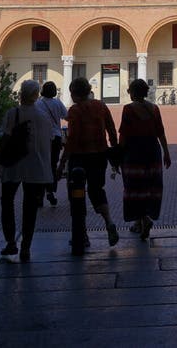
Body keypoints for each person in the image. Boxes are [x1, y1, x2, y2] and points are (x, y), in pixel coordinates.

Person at [56, 76, 120, 248]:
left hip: (79, 157)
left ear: (75, 94)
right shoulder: (101, 106)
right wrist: (114, 152)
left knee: (75, 194)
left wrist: (62, 164)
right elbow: (112, 129)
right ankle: (109, 222)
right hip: (100, 154)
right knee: (96, 190)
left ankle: (81, 233)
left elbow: (72, 140)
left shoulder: (75, 111)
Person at [0, 79, 52, 262]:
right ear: (37, 95)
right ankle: (26, 247)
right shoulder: (43, 116)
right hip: (35, 167)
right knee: (30, 208)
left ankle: (11, 242)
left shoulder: (13, 113)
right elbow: (47, 143)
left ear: (21, 93)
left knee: (7, 202)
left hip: (13, 163)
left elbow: (5, 138)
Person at [118, 78, 172, 240]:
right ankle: (143, 220)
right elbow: (160, 132)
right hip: (152, 150)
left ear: (132, 92)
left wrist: (120, 153)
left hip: (134, 152)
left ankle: (142, 220)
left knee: (134, 187)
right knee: (150, 186)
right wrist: (166, 152)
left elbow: (124, 133)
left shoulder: (128, 109)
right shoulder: (154, 108)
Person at [36, 80, 68, 206]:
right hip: (56, 137)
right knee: (52, 165)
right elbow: (66, 116)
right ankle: (50, 191)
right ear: (54, 91)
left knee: (41, 165)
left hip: (42, 138)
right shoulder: (57, 103)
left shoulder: (38, 103)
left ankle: (40, 195)